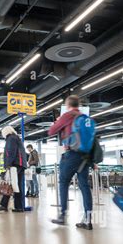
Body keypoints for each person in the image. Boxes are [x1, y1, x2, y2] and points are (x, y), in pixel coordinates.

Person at [48, 95, 94, 230]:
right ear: (78, 104)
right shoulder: (85, 118)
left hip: (72, 154)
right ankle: (88, 220)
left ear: (68, 104)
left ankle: (62, 215)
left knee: (63, 182)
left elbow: (51, 131)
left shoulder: (67, 115)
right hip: (85, 156)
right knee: (84, 186)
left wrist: (57, 122)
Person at [0, 126, 28, 212]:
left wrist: (8, 164)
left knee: (11, 184)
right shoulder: (16, 138)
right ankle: (17, 207)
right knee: (16, 185)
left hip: (15, 164)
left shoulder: (11, 138)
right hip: (20, 164)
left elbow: (10, 152)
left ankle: (6, 205)